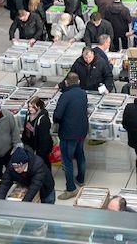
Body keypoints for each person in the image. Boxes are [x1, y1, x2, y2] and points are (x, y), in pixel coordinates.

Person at [53, 72, 88, 200]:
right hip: (82, 131)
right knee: (80, 154)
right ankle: (81, 179)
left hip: (68, 133)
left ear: (66, 82)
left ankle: (71, 189)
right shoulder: (83, 93)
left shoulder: (65, 96)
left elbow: (57, 115)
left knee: (67, 160)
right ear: (78, 82)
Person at [22, 97, 53, 169]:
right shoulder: (28, 115)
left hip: (40, 148)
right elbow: (25, 130)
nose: (30, 109)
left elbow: (44, 139)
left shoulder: (43, 119)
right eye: (29, 107)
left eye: (33, 107)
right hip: (30, 145)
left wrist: (40, 153)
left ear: (38, 107)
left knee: (43, 165)